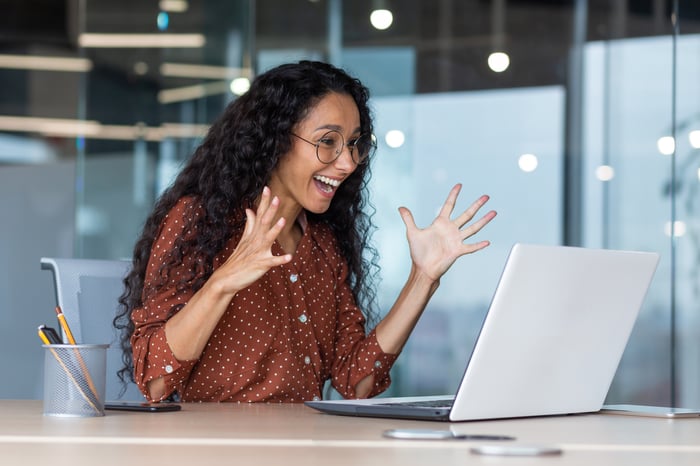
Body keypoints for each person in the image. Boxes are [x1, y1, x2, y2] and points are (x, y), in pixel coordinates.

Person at [115, 60, 496, 403]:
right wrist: (224, 280)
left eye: (353, 144)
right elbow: (154, 383)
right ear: (275, 139)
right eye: (327, 142)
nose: (346, 163)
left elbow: (355, 381)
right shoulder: (200, 221)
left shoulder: (323, 245)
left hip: (304, 447)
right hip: (216, 448)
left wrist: (422, 279)